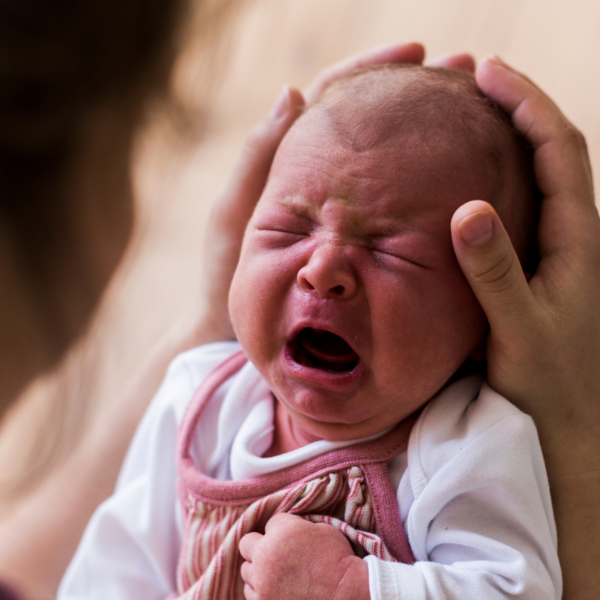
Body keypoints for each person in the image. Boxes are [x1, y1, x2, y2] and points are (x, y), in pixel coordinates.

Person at [0, 4, 597, 596]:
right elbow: (115, 566)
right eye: (288, 229)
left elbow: (512, 588)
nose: (323, 269)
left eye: (393, 252)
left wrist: (351, 586)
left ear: (486, 320)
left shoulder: (465, 447)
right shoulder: (199, 400)